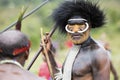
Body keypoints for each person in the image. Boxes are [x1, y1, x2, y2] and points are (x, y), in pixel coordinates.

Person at [41, 0, 111, 80]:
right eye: (71, 27)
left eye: (81, 26)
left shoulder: (98, 54)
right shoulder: (75, 50)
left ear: (89, 26)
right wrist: (48, 54)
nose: (75, 31)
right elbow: (60, 78)